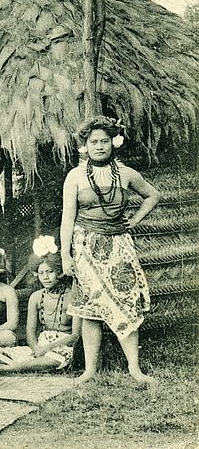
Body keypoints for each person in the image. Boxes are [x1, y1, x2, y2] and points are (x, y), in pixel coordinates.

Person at [61, 116, 159, 384]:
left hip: (118, 247)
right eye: (94, 142)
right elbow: (67, 219)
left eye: (104, 141)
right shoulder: (76, 176)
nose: (100, 146)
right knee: (90, 309)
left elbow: (152, 195)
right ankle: (90, 370)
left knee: (128, 304)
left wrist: (135, 220)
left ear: (113, 143)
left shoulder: (126, 173)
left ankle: (134, 369)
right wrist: (66, 256)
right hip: (85, 248)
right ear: (85, 146)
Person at [0, 237, 82, 373]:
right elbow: (30, 332)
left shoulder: (72, 296)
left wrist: (48, 348)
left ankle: (11, 368)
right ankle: (30, 364)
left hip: (63, 347)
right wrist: (36, 348)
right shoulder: (36, 297)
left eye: (50, 272)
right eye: (41, 273)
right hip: (40, 346)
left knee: (54, 359)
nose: (45, 277)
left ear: (59, 272)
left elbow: (75, 335)